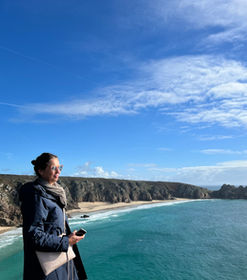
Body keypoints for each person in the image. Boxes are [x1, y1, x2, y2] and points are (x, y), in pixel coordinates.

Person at [19, 152, 87, 280]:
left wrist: (68, 238)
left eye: (59, 167)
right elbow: (34, 236)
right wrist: (66, 241)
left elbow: (54, 228)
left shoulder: (55, 193)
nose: (58, 171)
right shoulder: (36, 196)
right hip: (47, 267)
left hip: (61, 260)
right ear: (40, 170)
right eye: (53, 168)